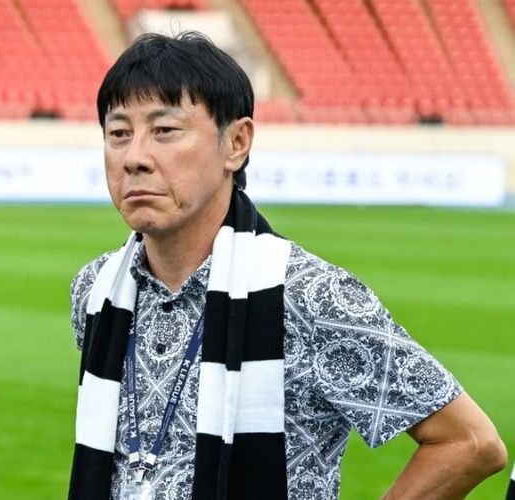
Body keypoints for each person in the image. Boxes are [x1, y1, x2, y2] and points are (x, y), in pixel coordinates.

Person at [67, 31, 507, 500]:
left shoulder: (311, 296)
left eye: (165, 130)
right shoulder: (97, 289)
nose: (134, 157)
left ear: (237, 142)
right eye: (119, 133)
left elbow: (470, 443)